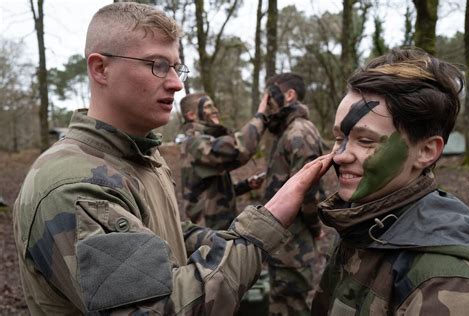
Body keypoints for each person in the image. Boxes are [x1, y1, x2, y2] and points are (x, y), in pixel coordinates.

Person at [12, 3, 335, 315]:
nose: (177, 83)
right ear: (101, 68)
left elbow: (160, 234)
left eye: (176, 67)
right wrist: (261, 229)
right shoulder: (76, 186)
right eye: (157, 65)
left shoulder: (138, 155)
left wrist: (223, 240)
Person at [311, 47, 469, 315]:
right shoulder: (360, 219)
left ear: (426, 151)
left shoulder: (448, 280)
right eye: (339, 137)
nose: (339, 156)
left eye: (365, 141)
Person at [263, 73, 327, 315]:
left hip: (294, 245)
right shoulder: (286, 131)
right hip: (281, 241)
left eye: (270, 94)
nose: (267, 101)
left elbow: (309, 191)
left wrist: (316, 228)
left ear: (289, 95)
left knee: (291, 305)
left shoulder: (299, 132)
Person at [179, 92, 266, 230]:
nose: (215, 110)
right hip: (208, 235)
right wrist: (261, 117)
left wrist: (246, 185)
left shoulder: (205, 140)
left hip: (220, 229)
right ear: (191, 115)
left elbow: (213, 189)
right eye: (208, 106)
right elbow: (237, 149)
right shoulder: (194, 143)